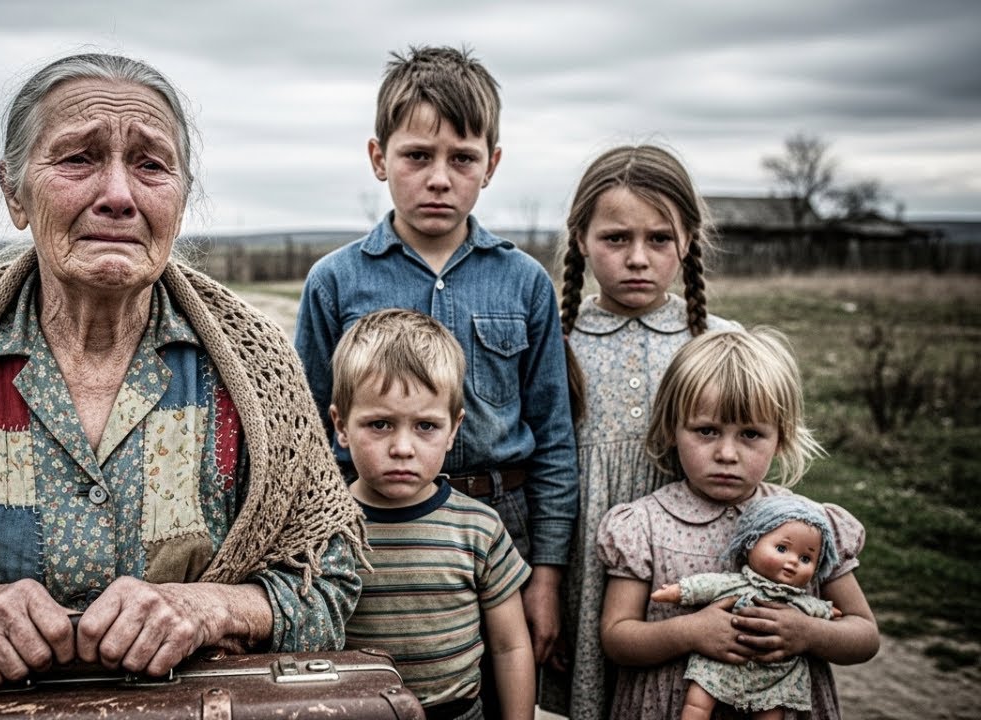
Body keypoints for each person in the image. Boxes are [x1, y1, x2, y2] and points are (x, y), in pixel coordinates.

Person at [0, 53, 363, 687]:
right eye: (78, 159)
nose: (118, 196)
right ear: (14, 192)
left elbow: (328, 587)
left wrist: (208, 609)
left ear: (182, 198)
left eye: (151, 165)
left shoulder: (257, 363)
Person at [294, 44, 577, 671]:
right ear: (379, 157)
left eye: (463, 158)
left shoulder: (525, 282)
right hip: (370, 529)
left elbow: (554, 434)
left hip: (503, 524)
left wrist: (547, 575)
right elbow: (306, 435)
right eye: (417, 156)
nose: (440, 177)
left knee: (504, 678)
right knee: (380, 690)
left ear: (491, 164)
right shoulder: (335, 282)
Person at [597, 328, 879, 720]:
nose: (727, 453)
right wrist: (690, 632)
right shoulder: (643, 525)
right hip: (672, 706)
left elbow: (865, 635)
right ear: (671, 431)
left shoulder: (808, 523)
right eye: (707, 431)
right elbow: (616, 637)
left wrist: (808, 633)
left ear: (780, 438)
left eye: (750, 434)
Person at [555, 144, 741, 720]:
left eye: (659, 238)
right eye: (616, 239)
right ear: (582, 239)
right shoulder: (556, 340)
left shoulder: (717, 341)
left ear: (687, 240)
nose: (638, 258)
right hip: (588, 570)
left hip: (696, 569)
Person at [331, 308, 534, 720]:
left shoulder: (480, 528)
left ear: (454, 428)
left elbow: (510, 646)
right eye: (380, 424)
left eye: (425, 426)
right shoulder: (326, 528)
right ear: (341, 426)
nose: (403, 447)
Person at [651, 495, 844, 720]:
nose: (792, 561)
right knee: (698, 700)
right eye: (782, 549)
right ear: (751, 543)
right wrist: (676, 592)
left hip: (774, 672)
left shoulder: (799, 601)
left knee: (773, 711)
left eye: (805, 558)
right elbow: (706, 585)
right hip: (722, 661)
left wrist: (829, 612)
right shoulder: (737, 583)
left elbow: (817, 609)